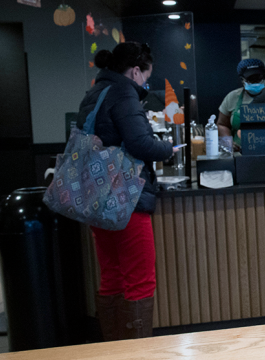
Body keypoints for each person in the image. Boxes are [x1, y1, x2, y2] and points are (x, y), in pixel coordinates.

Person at [76, 42, 178, 340]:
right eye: (146, 76)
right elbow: (141, 144)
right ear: (135, 70)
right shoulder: (124, 93)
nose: (145, 83)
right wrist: (167, 148)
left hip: (96, 194)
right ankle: (137, 354)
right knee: (140, 280)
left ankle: (113, 350)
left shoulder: (95, 91)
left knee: (111, 277)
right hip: (125, 196)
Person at [216, 59, 265, 149]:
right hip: (240, 152)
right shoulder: (233, 97)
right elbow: (222, 124)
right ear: (242, 79)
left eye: (258, 78)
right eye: (251, 79)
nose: (255, 82)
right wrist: (228, 142)